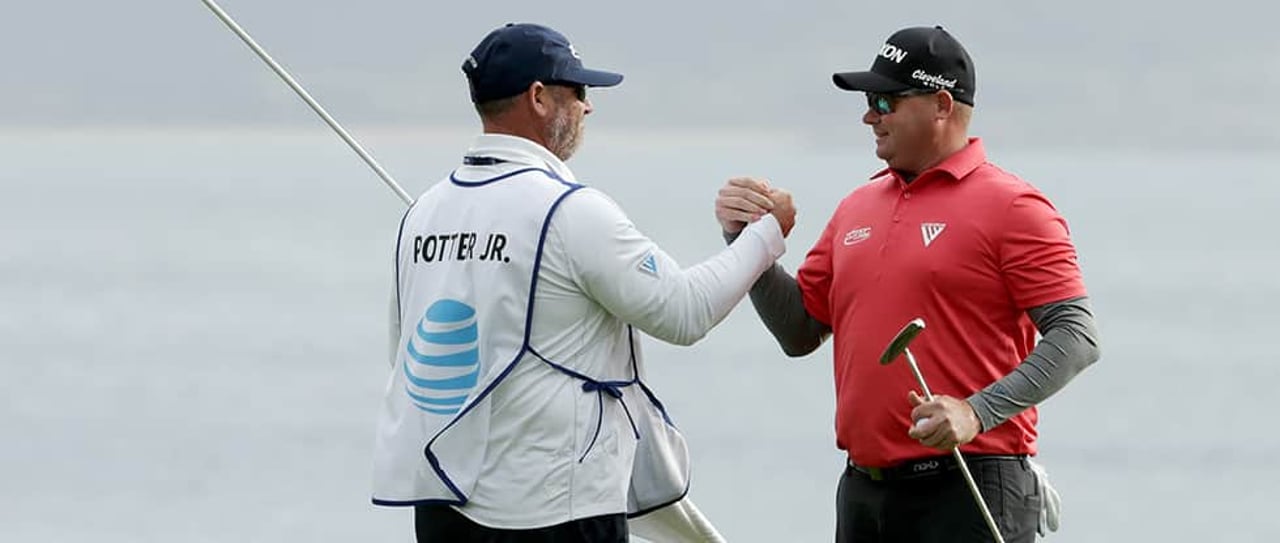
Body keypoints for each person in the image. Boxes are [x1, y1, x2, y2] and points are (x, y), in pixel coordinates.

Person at [372, 22, 795, 542]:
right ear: (539, 98)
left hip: (443, 501)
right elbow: (685, 312)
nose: (587, 107)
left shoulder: (422, 213)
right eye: (579, 91)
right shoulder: (570, 210)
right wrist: (767, 234)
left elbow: (404, 355)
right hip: (553, 509)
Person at [715, 26, 1101, 542]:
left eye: (885, 100)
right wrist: (751, 245)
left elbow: (1077, 335)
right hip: (864, 493)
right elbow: (800, 331)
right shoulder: (857, 206)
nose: (869, 115)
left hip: (970, 484)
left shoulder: (1014, 207)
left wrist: (975, 412)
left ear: (941, 105)